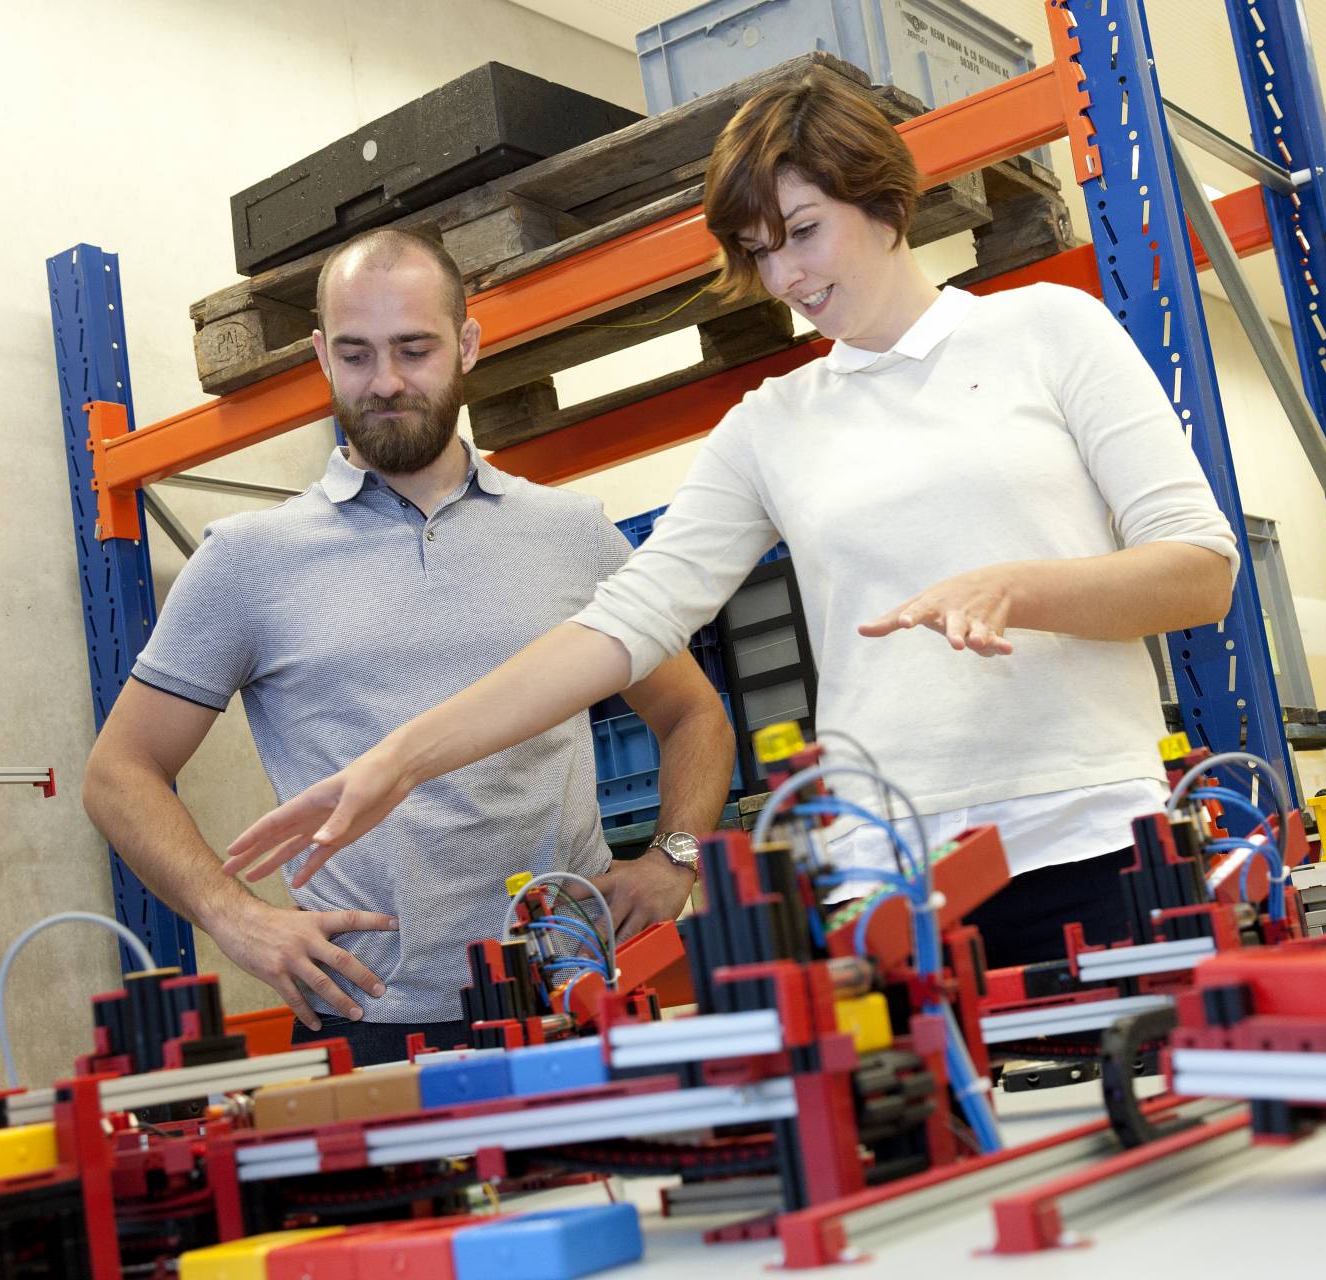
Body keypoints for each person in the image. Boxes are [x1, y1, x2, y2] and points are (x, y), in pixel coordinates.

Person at [218, 74, 1239, 969]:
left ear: (883, 199)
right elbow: (618, 626)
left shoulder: (1047, 331)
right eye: (760, 251)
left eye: (803, 232)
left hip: (1094, 848)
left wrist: (1018, 584)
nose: (787, 278)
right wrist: (400, 757)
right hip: (886, 885)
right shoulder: (773, 425)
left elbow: (1201, 570)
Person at [82, 228, 735, 1063]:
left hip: (574, 994)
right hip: (371, 1023)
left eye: (414, 349)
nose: (385, 382)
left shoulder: (574, 535)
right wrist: (236, 917)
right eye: (355, 355)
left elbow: (691, 715)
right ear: (320, 355)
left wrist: (672, 859)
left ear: (467, 343)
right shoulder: (248, 560)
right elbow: (118, 773)